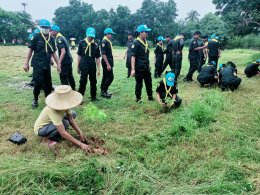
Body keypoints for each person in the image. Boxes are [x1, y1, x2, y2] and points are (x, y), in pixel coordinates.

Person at [34, 85, 106, 154]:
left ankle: (56, 131)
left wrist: (80, 132)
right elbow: (63, 132)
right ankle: (46, 139)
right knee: (65, 123)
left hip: (53, 122)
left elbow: (71, 119)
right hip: (42, 129)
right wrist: (80, 144)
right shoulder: (52, 110)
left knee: (73, 114)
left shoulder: (65, 104)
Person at [23, 19, 60, 108]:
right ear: (41, 27)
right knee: (38, 82)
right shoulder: (36, 37)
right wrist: (26, 63)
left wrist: (58, 64)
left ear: (49, 28)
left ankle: (48, 100)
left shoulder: (51, 39)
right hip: (37, 64)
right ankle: (35, 99)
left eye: (47, 27)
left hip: (46, 64)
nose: (45, 29)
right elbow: (31, 50)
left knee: (48, 83)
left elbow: (53, 52)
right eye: (43, 27)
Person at [131, 24, 154, 103]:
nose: (147, 33)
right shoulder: (136, 42)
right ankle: (138, 98)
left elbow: (146, 55)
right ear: (141, 32)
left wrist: (149, 64)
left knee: (149, 82)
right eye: (146, 32)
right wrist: (133, 69)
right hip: (139, 67)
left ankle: (150, 96)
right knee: (139, 84)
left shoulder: (145, 42)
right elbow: (133, 57)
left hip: (146, 66)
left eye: (148, 32)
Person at [77, 27, 101, 102]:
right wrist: (78, 67)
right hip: (83, 64)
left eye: (92, 36)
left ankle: (93, 97)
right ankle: (80, 99)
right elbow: (79, 55)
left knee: (93, 81)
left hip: (92, 65)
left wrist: (99, 69)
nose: (90, 38)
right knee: (83, 81)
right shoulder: (81, 43)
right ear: (86, 35)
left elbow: (97, 58)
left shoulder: (96, 44)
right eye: (89, 36)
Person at [50, 25, 76, 90]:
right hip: (69, 60)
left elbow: (63, 51)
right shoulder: (62, 37)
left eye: (51, 30)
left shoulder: (59, 39)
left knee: (63, 76)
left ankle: (66, 92)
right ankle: (73, 89)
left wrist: (59, 63)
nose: (50, 32)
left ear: (55, 31)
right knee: (70, 76)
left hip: (65, 61)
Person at [100, 28, 116, 98]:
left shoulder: (107, 41)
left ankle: (103, 90)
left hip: (108, 62)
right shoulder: (104, 42)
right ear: (107, 34)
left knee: (105, 76)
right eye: (111, 34)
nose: (111, 35)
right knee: (110, 77)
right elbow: (103, 54)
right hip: (106, 62)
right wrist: (108, 64)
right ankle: (104, 91)